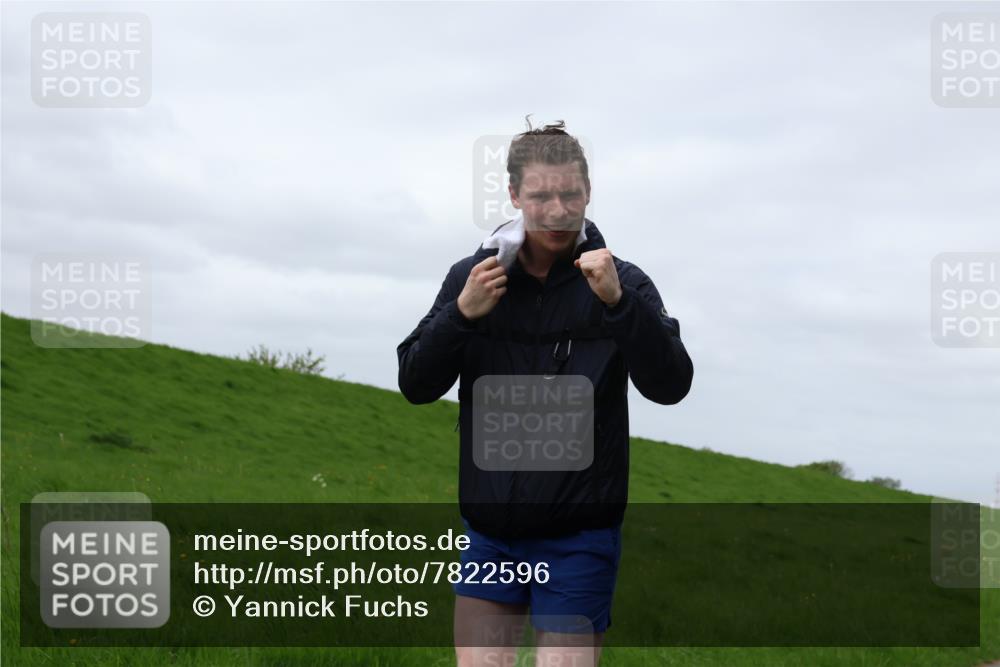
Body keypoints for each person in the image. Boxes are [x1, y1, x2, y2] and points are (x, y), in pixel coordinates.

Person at [397, 120, 693, 666]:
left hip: (579, 538)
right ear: (514, 196)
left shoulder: (621, 281)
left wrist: (619, 306)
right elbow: (416, 382)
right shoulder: (474, 276)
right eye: (540, 195)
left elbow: (671, 385)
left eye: (570, 194)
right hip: (490, 537)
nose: (557, 210)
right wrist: (461, 314)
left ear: (587, 192)